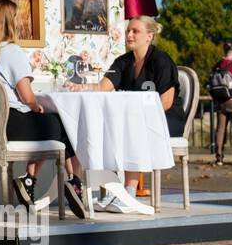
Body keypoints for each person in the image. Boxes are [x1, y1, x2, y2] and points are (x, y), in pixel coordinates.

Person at [0, 0, 87, 217]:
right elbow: (26, 96)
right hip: (11, 124)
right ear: (9, 22)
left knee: (53, 125)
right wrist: (36, 105)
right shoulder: (12, 52)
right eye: (15, 18)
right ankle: (74, 182)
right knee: (65, 122)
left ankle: (32, 181)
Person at [70, 15, 186, 201]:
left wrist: (140, 116)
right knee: (105, 128)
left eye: (135, 31)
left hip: (167, 119)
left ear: (149, 36)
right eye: (128, 31)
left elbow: (166, 102)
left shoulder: (161, 61)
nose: (130, 35)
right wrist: (80, 86)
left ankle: (128, 192)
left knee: (134, 128)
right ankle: (112, 188)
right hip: (134, 119)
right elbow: (102, 87)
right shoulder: (123, 61)